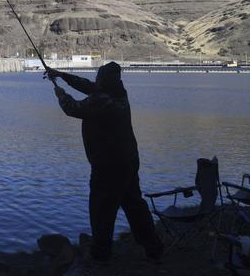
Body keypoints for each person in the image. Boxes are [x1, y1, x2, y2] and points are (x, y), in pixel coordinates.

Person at [47, 62, 163, 262]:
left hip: (107, 166)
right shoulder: (119, 93)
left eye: (99, 77)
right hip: (128, 161)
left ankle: (100, 255)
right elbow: (88, 86)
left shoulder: (102, 100)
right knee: (135, 206)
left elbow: (73, 108)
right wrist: (61, 75)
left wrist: (61, 95)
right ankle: (153, 248)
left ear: (102, 79)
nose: (96, 80)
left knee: (101, 210)